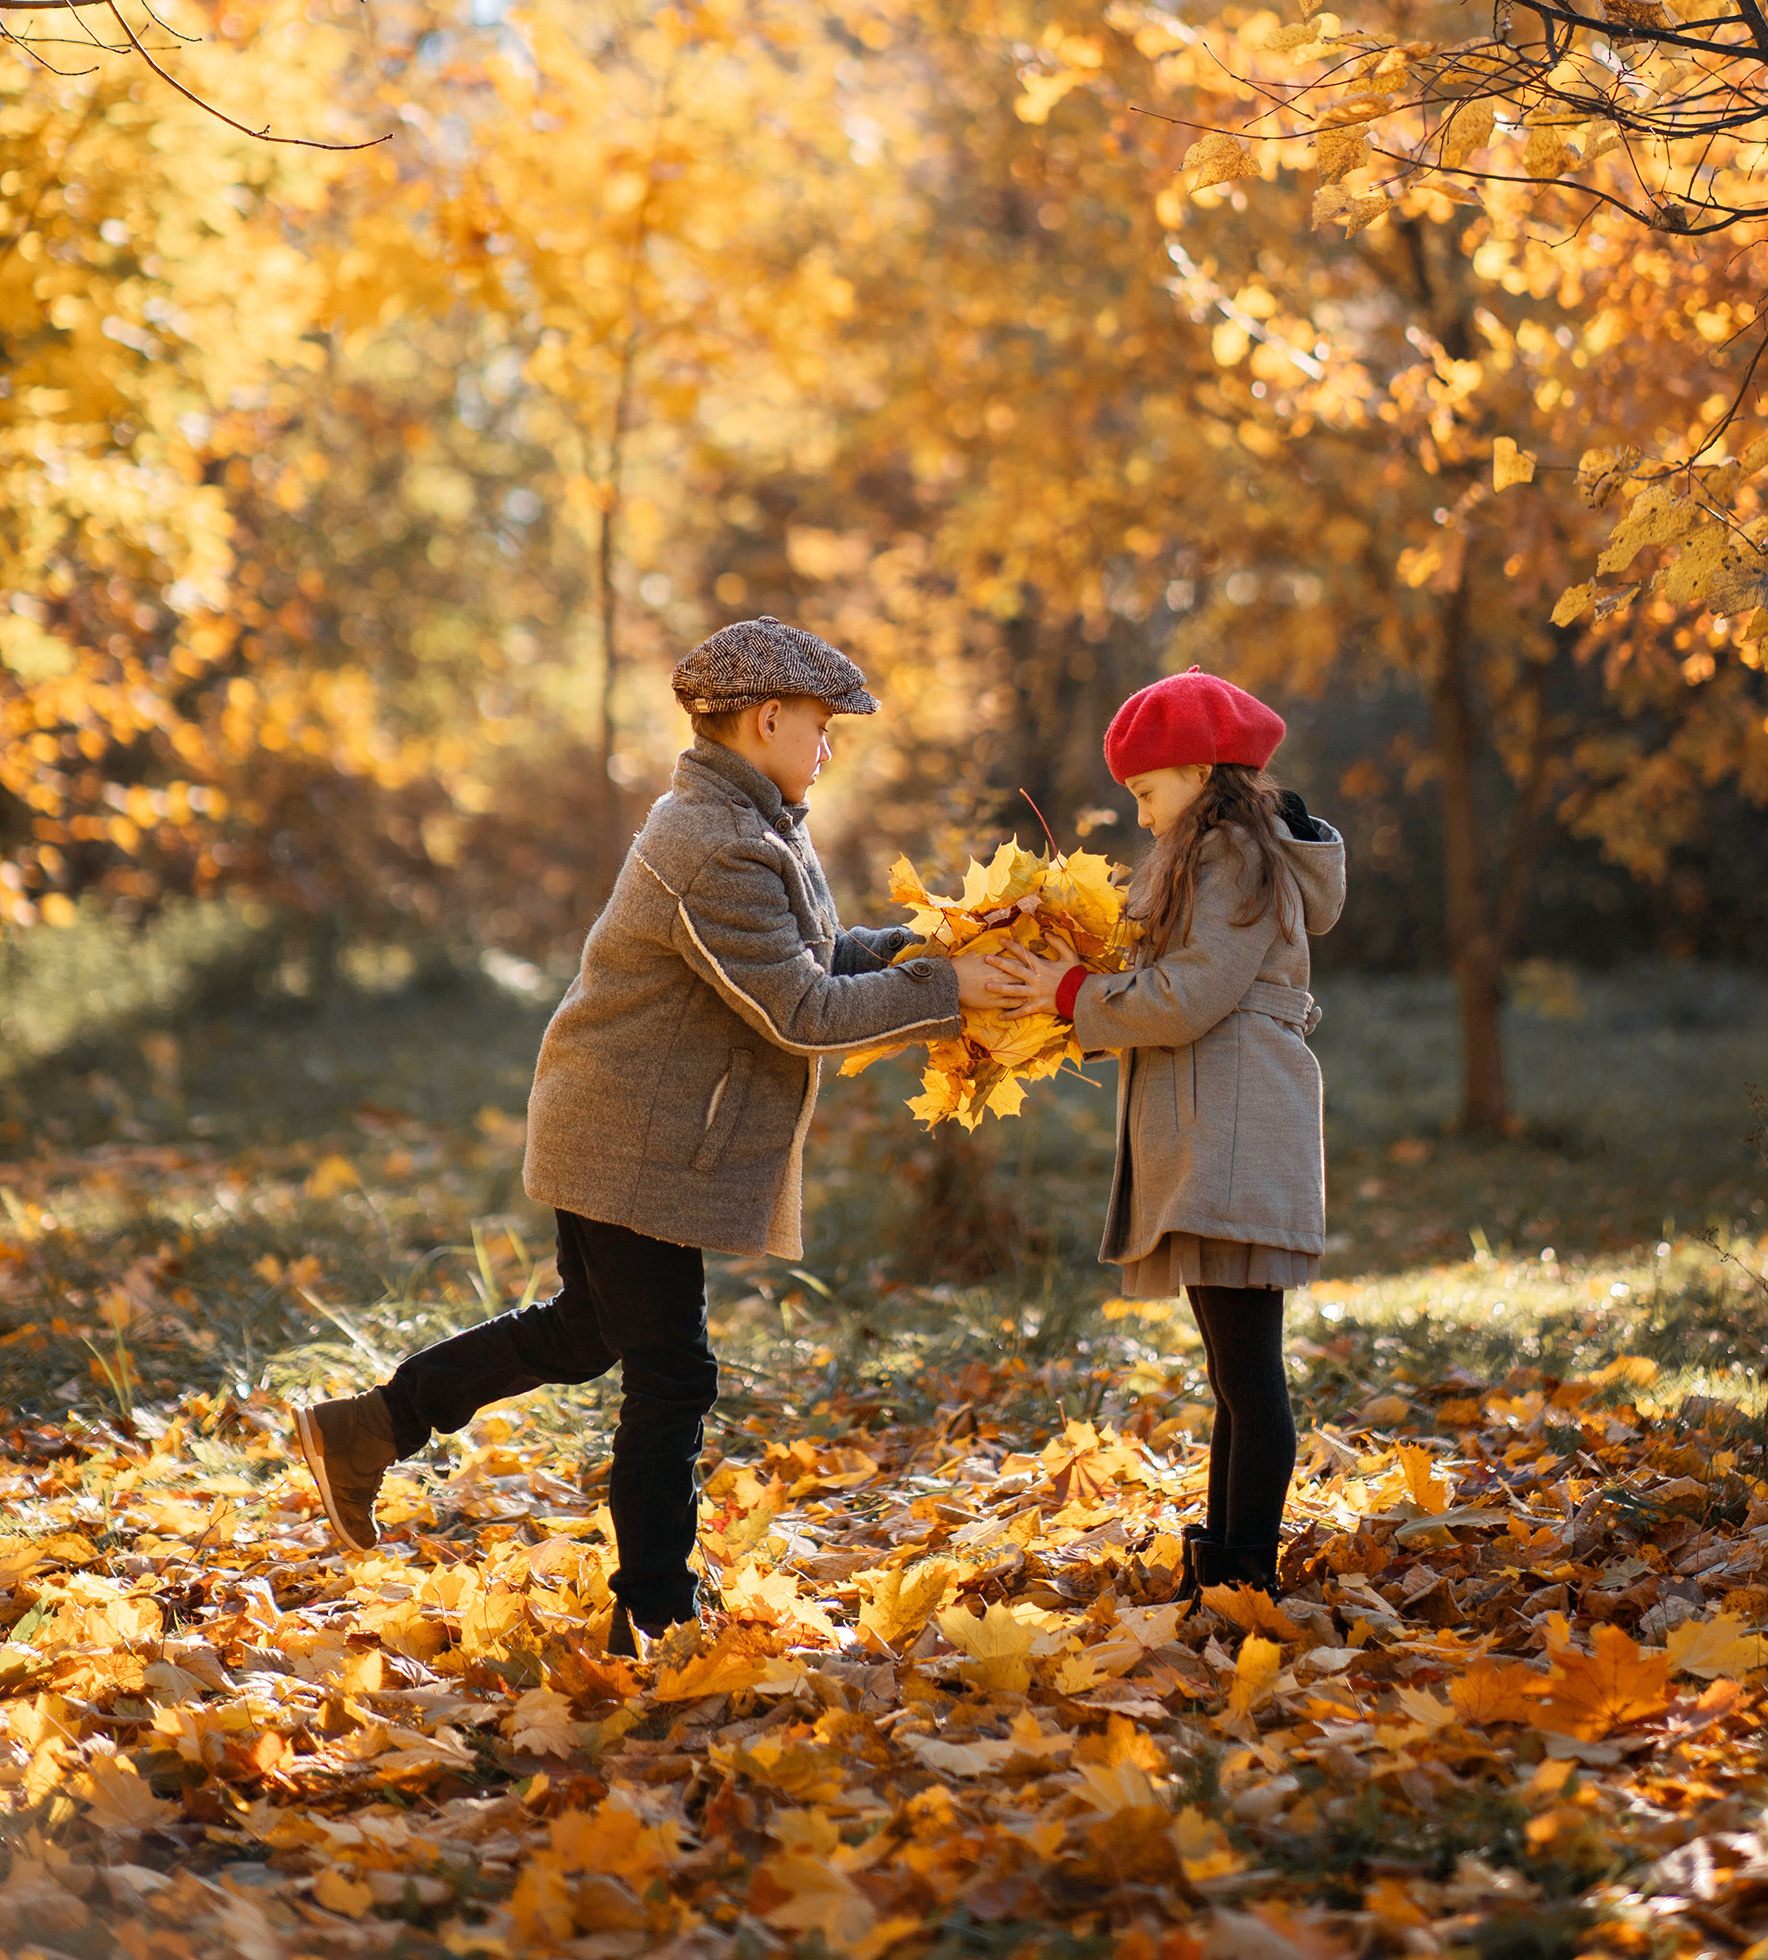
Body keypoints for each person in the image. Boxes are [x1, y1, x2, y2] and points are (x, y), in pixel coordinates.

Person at [291, 616, 1024, 1653]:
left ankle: (369, 1427)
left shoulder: (754, 822)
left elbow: (810, 956)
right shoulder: (714, 841)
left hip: (625, 1119)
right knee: (672, 1374)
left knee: (587, 1332)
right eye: (821, 728)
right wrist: (945, 992)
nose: (826, 749)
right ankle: (656, 1612)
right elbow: (799, 1013)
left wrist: (919, 950)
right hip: (628, 1135)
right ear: (767, 718)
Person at [1000, 667, 1344, 1598]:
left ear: (1199, 771)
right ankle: (1228, 1557)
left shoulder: (1233, 857)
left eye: (1148, 794)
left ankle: (1244, 1574)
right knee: (1235, 1370)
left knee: (1248, 1368)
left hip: (1236, 1128)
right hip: (1216, 1125)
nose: (1144, 817)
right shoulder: (1215, 856)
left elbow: (1192, 995)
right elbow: (1172, 975)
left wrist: (1075, 998)